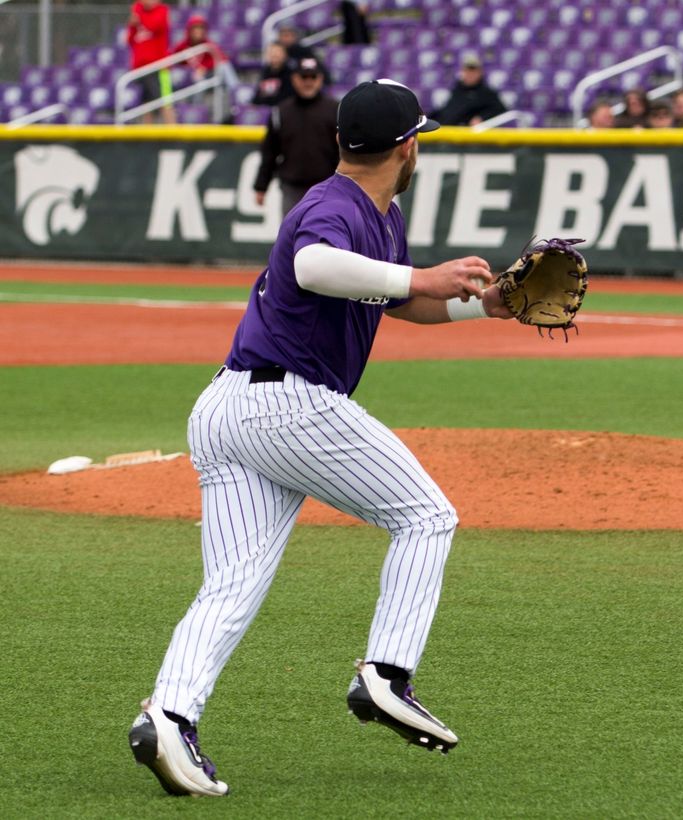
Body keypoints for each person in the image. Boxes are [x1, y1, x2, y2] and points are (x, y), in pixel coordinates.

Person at [127, 78, 514, 798]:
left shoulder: (380, 217)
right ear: (408, 148)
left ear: (341, 139)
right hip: (287, 405)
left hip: (227, 408)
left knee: (232, 584)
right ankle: (386, 674)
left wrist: (481, 309)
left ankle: (169, 718)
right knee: (426, 515)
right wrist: (426, 272)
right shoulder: (333, 205)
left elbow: (393, 300)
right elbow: (315, 267)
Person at [253, 57, 340, 215]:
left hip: (327, 189)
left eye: (313, 77)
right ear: (294, 79)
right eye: (303, 77)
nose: (308, 82)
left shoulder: (335, 110)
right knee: (291, 236)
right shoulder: (281, 112)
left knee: (326, 236)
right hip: (292, 188)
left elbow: (344, 153)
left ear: (320, 79)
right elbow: (269, 152)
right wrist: (261, 187)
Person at [172, 14, 238, 123]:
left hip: (209, 76)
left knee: (224, 67)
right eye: (195, 28)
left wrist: (203, 68)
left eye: (201, 28)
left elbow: (221, 59)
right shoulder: (182, 45)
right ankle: (190, 112)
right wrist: (191, 71)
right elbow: (173, 60)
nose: (198, 31)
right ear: (190, 30)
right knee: (184, 77)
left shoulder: (208, 45)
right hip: (189, 79)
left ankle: (237, 95)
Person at [126, 0, 176, 124]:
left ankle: (174, 134)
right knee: (146, 104)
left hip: (158, 67)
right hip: (141, 69)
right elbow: (130, 40)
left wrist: (137, 12)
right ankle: (146, 138)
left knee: (165, 102)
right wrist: (133, 24)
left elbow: (154, 25)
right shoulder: (138, 15)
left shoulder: (162, 10)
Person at [431, 54, 506, 126]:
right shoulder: (457, 90)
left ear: (480, 73)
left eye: (473, 71)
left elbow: (501, 111)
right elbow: (446, 111)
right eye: (467, 71)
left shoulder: (487, 93)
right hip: (444, 131)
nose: (470, 74)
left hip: (466, 134)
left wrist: (482, 118)